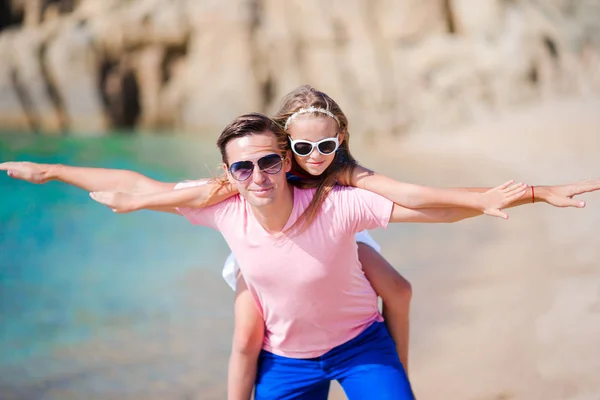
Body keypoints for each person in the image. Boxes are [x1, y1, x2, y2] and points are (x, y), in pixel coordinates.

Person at [3, 112, 599, 399]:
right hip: (285, 362)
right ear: (230, 173)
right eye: (244, 165)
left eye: (269, 161)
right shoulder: (222, 207)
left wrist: (538, 193)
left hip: (361, 346)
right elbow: (135, 183)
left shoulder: (337, 204)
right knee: (244, 335)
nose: (258, 174)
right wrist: (51, 169)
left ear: (286, 161)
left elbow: (434, 207)